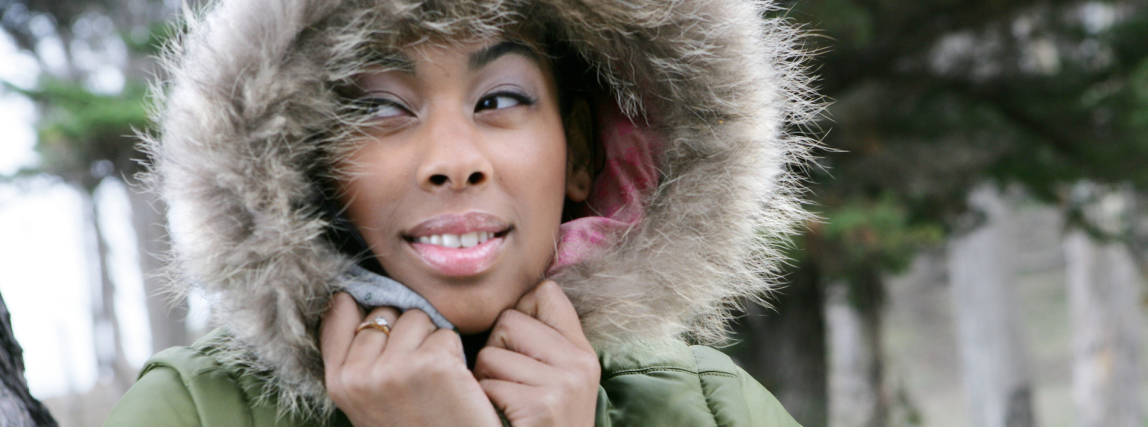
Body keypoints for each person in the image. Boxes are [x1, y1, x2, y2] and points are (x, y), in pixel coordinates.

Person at [104, 0, 818, 425]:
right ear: (309, 163)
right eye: (381, 107)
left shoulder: (716, 408)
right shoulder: (190, 410)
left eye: (500, 99)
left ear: (581, 153)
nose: (452, 158)